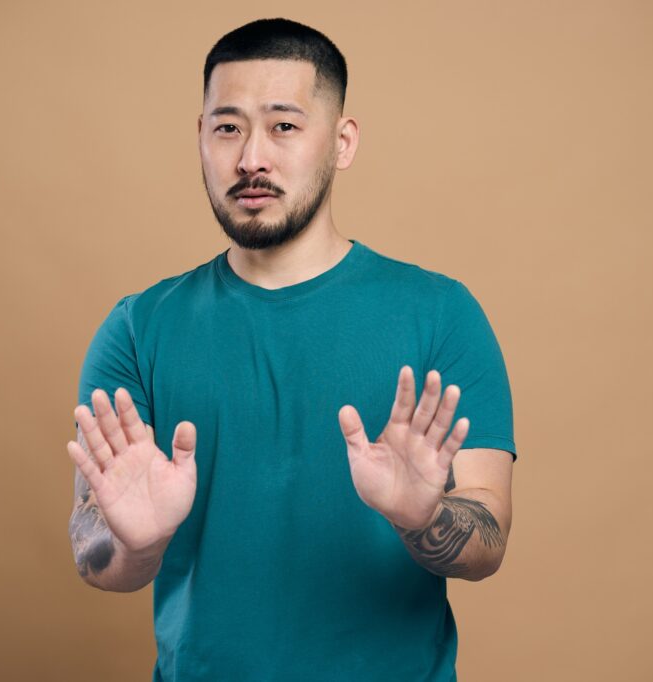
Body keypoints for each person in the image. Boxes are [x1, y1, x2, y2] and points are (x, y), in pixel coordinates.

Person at [66, 17, 517, 682]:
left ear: (341, 142)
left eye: (284, 126)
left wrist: (425, 517)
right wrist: (139, 541)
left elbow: (488, 540)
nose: (251, 157)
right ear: (200, 138)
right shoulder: (138, 328)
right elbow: (94, 555)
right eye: (228, 127)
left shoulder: (441, 314)